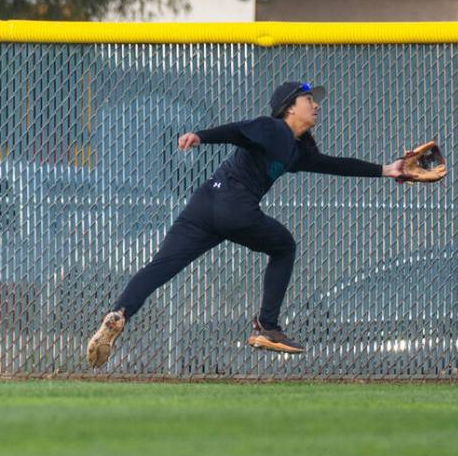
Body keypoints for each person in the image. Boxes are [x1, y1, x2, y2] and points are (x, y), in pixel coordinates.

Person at [86, 81, 408, 367]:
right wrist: (202, 136)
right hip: (234, 205)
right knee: (284, 246)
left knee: (160, 266)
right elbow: (238, 130)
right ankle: (266, 326)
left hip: (203, 204)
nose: (316, 105)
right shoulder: (272, 128)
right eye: (308, 99)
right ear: (289, 107)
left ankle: (119, 313)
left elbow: (335, 165)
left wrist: (386, 169)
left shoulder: (296, 150)